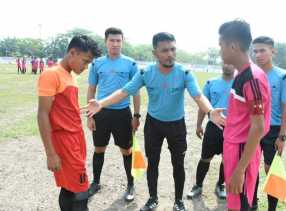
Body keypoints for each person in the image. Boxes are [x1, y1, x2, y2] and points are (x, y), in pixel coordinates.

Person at [82, 32, 225, 211]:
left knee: (178, 164)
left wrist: (210, 111)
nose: (170, 54)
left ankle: (178, 201)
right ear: (155, 53)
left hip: (176, 125)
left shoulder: (184, 72)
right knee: (153, 163)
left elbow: (198, 96)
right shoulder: (145, 72)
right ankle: (152, 198)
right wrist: (100, 103)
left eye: (173, 49)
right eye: (164, 50)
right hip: (154, 124)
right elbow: (125, 91)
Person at [37, 35, 101, 211]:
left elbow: (62, 106)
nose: (86, 67)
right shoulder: (51, 74)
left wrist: (80, 110)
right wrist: (50, 153)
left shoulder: (69, 75)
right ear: (73, 52)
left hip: (76, 138)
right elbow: (42, 114)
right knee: (81, 190)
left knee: (69, 186)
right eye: (85, 61)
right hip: (64, 141)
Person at [218, 20, 271, 211]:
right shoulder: (241, 74)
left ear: (233, 46)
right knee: (235, 201)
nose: (220, 51)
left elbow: (258, 127)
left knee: (240, 204)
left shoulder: (252, 78)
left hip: (242, 149)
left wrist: (240, 169)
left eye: (221, 46)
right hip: (235, 146)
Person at [86, 27, 141, 202]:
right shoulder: (96, 64)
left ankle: (131, 184)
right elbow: (91, 90)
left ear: (122, 42)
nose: (115, 44)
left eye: (118, 40)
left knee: (126, 150)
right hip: (101, 113)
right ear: (106, 41)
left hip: (122, 114)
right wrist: (90, 116)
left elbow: (136, 92)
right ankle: (95, 182)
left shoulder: (131, 64)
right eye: (112, 40)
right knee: (99, 148)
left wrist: (136, 116)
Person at [251, 36, 286, 211]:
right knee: (251, 169)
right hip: (253, 128)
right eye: (255, 51)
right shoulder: (250, 74)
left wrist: (282, 136)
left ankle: (271, 208)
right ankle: (252, 204)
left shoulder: (283, 76)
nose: (258, 54)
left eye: (262, 50)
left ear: (272, 51)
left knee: (272, 172)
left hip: (273, 130)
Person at [187, 64, 235, 200]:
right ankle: (198, 185)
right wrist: (198, 125)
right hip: (213, 127)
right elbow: (203, 106)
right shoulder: (211, 83)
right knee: (205, 157)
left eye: (230, 62)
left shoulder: (240, 83)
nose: (227, 65)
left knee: (227, 160)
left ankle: (220, 185)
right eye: (225, 62)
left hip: (232, 129)